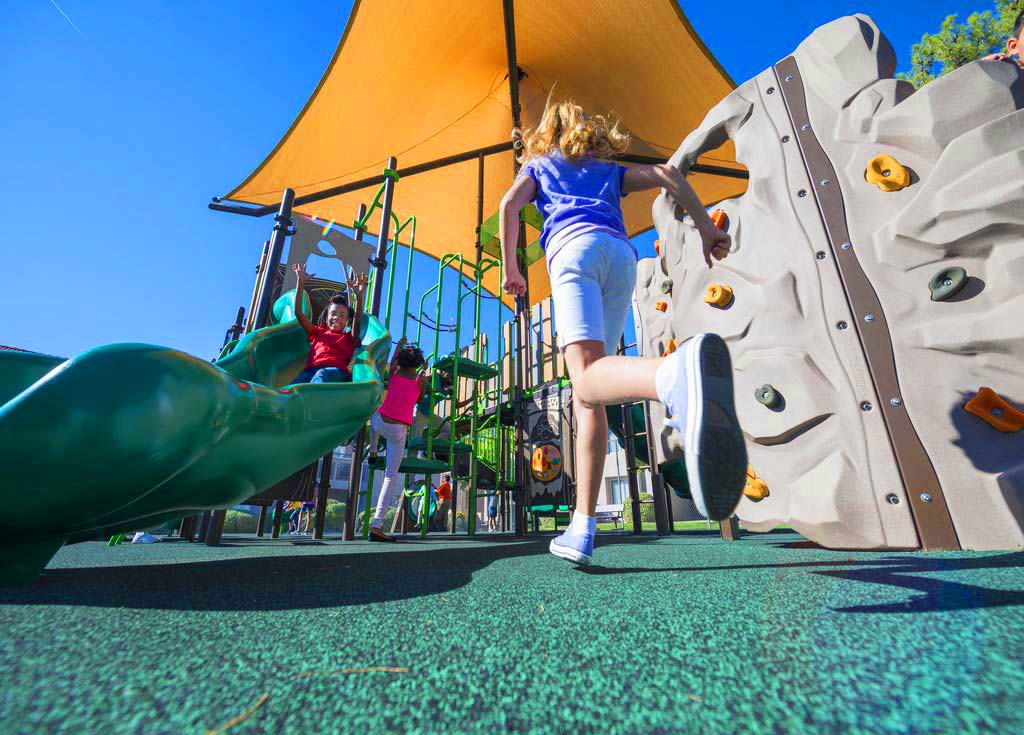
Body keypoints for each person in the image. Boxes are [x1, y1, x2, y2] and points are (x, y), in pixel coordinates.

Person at [499, 99, 747, 566]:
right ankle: (582, 526)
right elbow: (668, 176)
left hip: (573, 251)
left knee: (587, 375)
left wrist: (512, 268)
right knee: (590, 391)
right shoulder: (606, 170)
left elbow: (509, 204)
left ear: (547, 132)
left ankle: (673, 375)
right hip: (619, 255)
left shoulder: (539, 165)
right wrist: (703, 228)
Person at [367, 339, 430, 542]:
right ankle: (377, 525)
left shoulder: (394, 372)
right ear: (418, 363)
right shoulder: (421, 378)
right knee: (390, 477)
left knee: (375, 412)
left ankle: (374, 451)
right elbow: (420, 400)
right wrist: (424, 374)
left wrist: (398, 345)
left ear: (401, 360)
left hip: (380, 423)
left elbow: (393, 361)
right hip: (397, 430)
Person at [291, 263, 368, 384]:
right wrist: (300, 283)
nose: (336, 317)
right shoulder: (318, 333)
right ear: (327, 317)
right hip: (312, 370)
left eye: (342, 315)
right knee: (296, 383)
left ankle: (315, 395)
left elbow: (357, 321)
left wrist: (359, 297)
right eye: (333, 314)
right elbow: (298, 313)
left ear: (348, 321)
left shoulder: (349, 337)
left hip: (336, 372)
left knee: (322, 374)